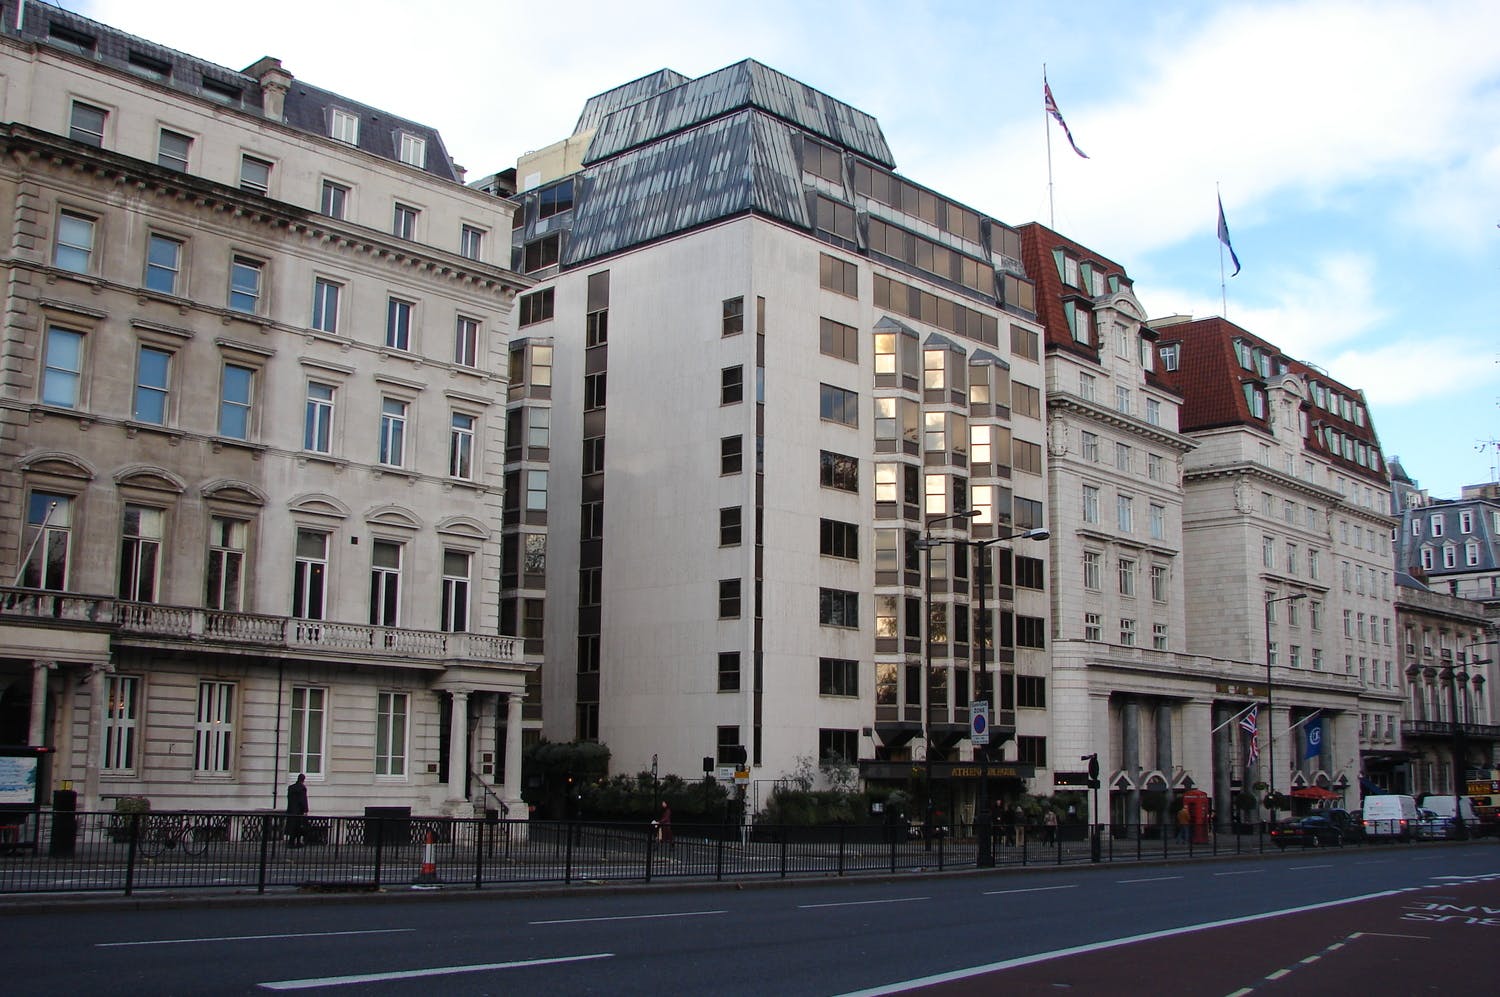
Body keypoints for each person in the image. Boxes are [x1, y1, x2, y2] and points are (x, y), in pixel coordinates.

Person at [285, 773, 309, 849]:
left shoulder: (291, 787)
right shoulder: (302, 788)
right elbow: (303, 800)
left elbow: (289, 799)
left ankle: (291, 842)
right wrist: (305, 810)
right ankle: (298, 842)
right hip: (299, 812)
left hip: (291, 810)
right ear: (303, 780)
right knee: (298, 828)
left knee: (292, 827)